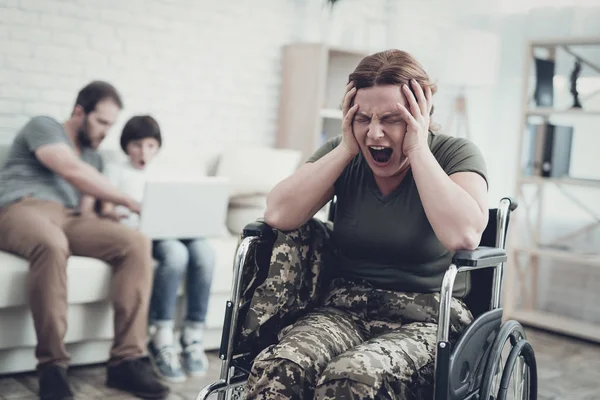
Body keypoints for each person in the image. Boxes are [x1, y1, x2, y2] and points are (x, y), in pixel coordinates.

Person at [246, 49, 489, 399]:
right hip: (346, 308)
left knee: (352, 378)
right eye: (362, 118)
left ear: (421, 114)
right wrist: (346, 147)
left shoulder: (455, 154)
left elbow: (463, 234)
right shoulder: (347, 153)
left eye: (391, 119)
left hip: (427, 318)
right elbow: (280, 214)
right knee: (283, 364)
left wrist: (418, 149)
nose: (374, 134)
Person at [0, 81, 170, 400]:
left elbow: (89, 204)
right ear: (79, 112)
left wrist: (111, 215)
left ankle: (126, 361)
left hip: (71, 217)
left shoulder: (94, 158)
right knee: (52, 244)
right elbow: (69, 169)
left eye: (111, 124)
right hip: (21, 207)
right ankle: (52, 366)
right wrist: (129, 201)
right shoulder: (44, 127)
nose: (107, 131)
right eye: (102, 122)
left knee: (136, 242)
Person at [102, 115, 215, 382]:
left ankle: (192, 336)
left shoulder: (164, 171)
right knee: (176, 256)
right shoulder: (115, 170)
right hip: (144, 233)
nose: (144, 152)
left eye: (151, 146)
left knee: (205, 254)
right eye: (137, 145)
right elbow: (105, 210)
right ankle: (161, 335)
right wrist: (119, 214)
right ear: (126, 145)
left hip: (175, 227)